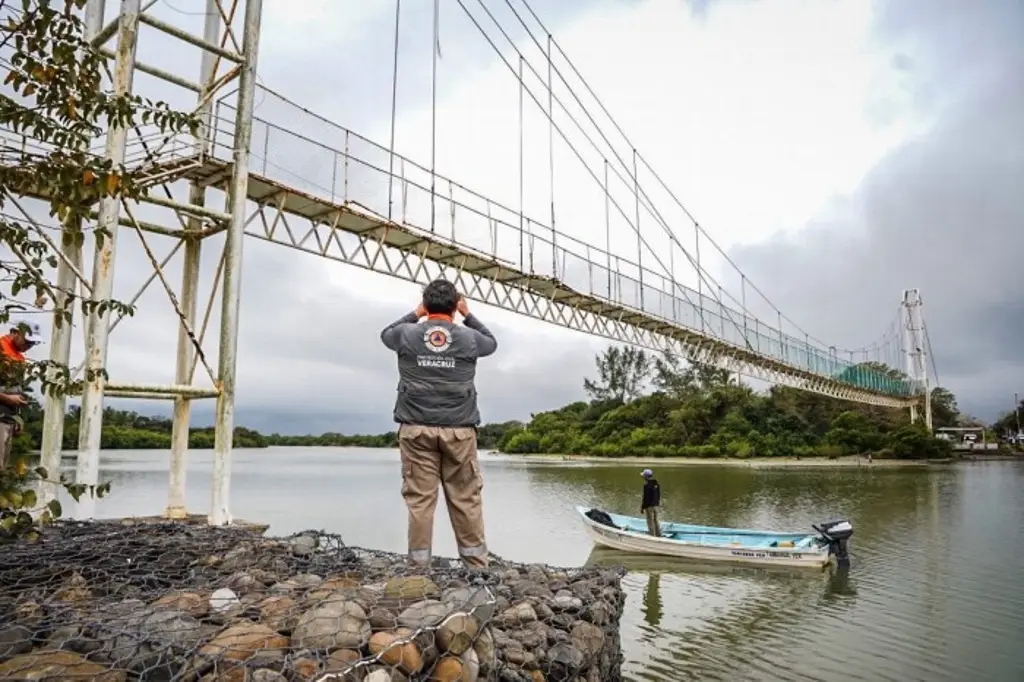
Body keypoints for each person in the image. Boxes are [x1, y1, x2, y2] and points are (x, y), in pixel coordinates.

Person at [380, 279, 498, 568]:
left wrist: (416, 313)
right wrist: (468, 314)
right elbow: (491, 343)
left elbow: (385, 334)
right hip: (459, 431)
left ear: (425, 303)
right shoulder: (469, 338)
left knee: (420, 502)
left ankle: (419, 569)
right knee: (465, 499)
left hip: (415, 430)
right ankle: (476, 569)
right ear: (455, 306)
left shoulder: (406, 334)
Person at [0, 321, 42, 469]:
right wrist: (7, 399)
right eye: (27, 341)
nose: (29, 346)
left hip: (8, 419)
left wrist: (18, 419)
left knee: (2, 469)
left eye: (33, 344)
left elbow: (17, 391)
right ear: (16, 332)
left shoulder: (20, 358)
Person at [641, 468, 661, 537]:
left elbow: (645, 498)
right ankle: (658, 535)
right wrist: (657, 504)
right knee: (656, 520)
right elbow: (658, 495)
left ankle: (652, 536)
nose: (642, 477)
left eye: (643, 475)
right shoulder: (656, 484)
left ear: (646, 477)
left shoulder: (646, 485)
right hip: (656, 505)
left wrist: (642, 508)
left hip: (649, 506)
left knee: (650, 521)